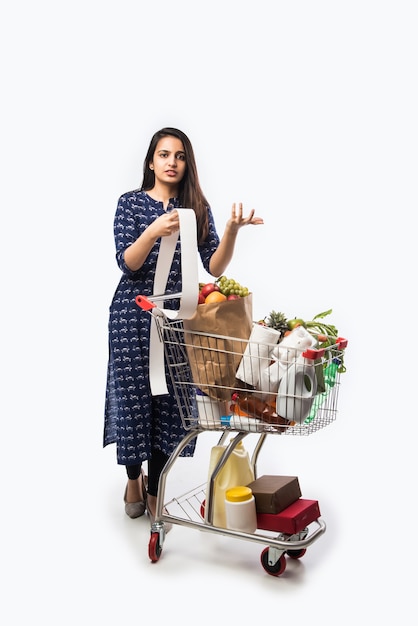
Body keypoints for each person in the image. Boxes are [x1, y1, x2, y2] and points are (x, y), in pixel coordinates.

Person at [103, 127, 263, 526]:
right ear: (151, 162)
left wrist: (230, 231)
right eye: (164, 154)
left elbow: (214, 266)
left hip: (177, 320)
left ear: (186, 163)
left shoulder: (195, 208)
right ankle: (132, 478)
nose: (172, 162)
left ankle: (156, 491)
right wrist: (153, 230)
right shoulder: (131, 204)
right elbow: (129, 263)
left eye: (179, 155)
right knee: (134, 401)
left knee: (169, 407)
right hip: (132, 317)